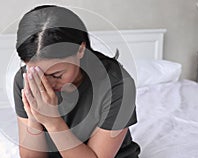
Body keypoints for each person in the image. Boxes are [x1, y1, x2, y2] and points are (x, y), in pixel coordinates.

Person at [13, 5, 140, 158]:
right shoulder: (25, 80)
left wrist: (53, 122)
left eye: (57, 75)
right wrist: (34, 118)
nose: (46, 85)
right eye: (37, 74)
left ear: (80, 50)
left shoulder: (118, 85)